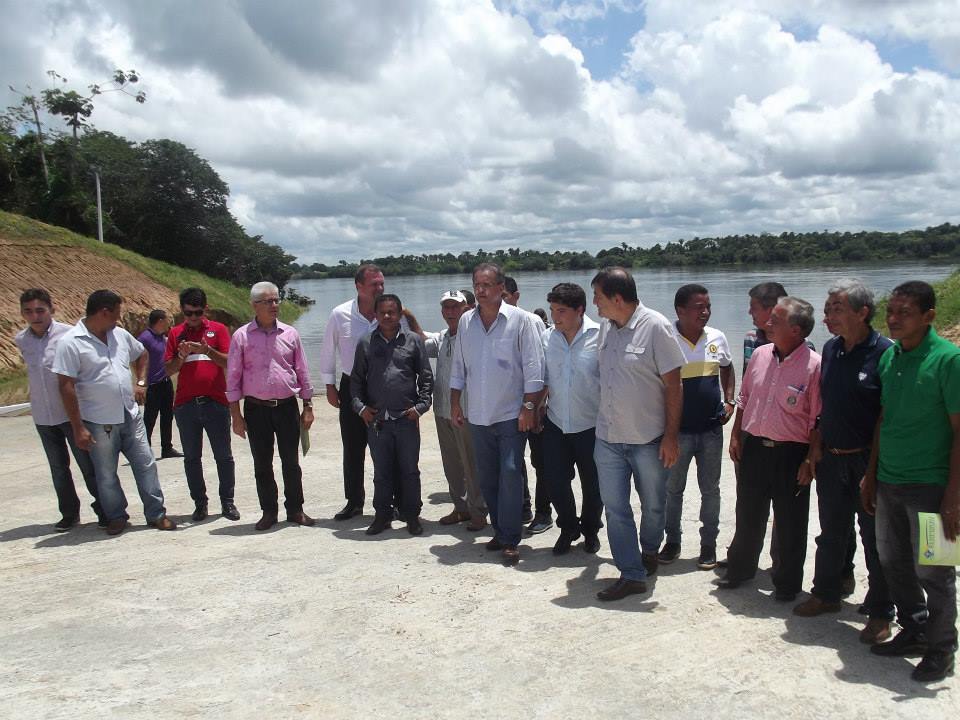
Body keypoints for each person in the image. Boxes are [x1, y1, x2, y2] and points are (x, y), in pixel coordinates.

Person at [862, 280, 959, 683]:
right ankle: (915, 628)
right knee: (893, 560)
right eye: (891, 311)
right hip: (889, 480)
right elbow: (884, 419)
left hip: (931, 484)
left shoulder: (948, 360)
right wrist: (871, 474)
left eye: (904, 312)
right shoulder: (891, 356)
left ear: (929, 316)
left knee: (935, 570)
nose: (894, 318)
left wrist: (953, 496)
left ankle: (941, 648)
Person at [791, 279, 894, 645]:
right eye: (827, 309)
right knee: (832, 532)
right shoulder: (832, 349)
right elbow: (824, 406)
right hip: (832, 458)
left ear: (862, 313)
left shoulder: (885, 353)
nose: (827, 316)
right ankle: (826, 593)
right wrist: (815, 449)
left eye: (836, 309)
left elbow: (886, 416)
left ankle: (881, 612)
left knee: (875, 538)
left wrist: (873, 471)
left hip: (867, 459)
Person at [591, 267, 685, 601]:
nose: (594, 304)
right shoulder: (606, 327)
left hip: (648, 439)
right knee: (615, 508)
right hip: (608, 437)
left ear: (617, 298)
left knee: (654, 505)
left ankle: (649, 550)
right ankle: (631, 573)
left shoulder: (656, 327)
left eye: (598, 297)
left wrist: (671, 437)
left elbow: (674, 386)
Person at [720, 297, 821, 602]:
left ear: (796, 330)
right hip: (754, 447)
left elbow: (817, 418)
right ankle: (739, 570)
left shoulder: (814, 366)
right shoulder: (760, 355)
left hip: (792, 453)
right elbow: (745, 399)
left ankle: (787, 584)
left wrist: (810, 459)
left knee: (790, 521)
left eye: (775, 320)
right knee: (748, 514)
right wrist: (736, 436)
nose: (767, 324)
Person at [52, 290, 175, 535]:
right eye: (117, 313)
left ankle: (156, 513)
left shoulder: (119, 335)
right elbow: (65, 386)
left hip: (130, 415)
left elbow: (142, 353)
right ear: (104, 312)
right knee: (106, 474)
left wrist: (141, 382)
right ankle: (116, 516)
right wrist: (78, 427)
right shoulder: (71, 342)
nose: (119, 318)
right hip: (99, 421)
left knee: (146, 464)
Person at [450, 263, 544, 565]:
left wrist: (528, 407)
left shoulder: (521, 321)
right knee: (487, 477)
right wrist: (455, 402)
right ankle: (500, 531)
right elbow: (459, 366)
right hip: (478, 414)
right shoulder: (466, 321)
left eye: (486, 285)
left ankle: (511, 538)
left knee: (511, 472)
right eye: (476, 285)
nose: (480, 290)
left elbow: (533, 368)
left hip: (511, 413)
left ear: (501, 288)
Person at [657, 284, 735, 571]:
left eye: (708, 307)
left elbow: (727, 367)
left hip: (711, 430)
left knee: (710, 490)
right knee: (672, 490)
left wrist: (730, 400)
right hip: (677, 432)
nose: (705, 312)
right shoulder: (665, 338)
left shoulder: (717, 337)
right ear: (680, 310)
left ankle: (708, 545)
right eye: (698, 307)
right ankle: (672, 541)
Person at [227, 281, 314, 531]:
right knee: (262, 463)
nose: (274, 305)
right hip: (256, 409)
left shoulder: (290, 333)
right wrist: (236, 416)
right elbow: (233, 377)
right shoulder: (241, 336)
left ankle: (295, 509)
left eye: (277, 300)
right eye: (268, 301)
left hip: (287, 407)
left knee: (291, 462)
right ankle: (269, 511)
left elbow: (302, 370)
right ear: (254, 305)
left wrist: (308, 405)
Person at [15, 288, 103, 530]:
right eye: (28, 311)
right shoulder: (22, 340)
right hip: (43, 415)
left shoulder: (69, 335)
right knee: (58, 468)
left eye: (40, 310)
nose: (35, 316)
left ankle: (105, 509)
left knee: (88, 465)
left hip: (71, 414)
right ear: (22, 314)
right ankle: (69, 513)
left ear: (52, 310)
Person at [320, 264, 403, 520]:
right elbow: (327, 351)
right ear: (359, 286)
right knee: (353, 448)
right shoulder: (340, 314)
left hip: (384, 387)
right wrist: (329, 385)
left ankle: (394, 501)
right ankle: (354, 502)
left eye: (382, 283)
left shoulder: (391, 314)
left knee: (389, 448)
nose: (380, 288)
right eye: (374, 284)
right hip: (351, 386)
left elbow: (406, 348)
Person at [350, 294, 433, 536]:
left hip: (406, 419)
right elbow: (356, 381)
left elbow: (426, 378)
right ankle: (382, 516)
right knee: (381, 472)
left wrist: (420, 407)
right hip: (378, 421)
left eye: (392, 312)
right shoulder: (365, 342)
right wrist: (361, 408)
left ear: (399, 314)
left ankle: (412, 516)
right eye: (382, 312)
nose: (387, 316)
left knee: (410, 471)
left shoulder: (413, 341)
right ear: (375, 315)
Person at [406, 290, 488, 530]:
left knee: (471, 464)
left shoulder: (474, 336)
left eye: (456, 307)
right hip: (442, 409)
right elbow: (421, 340)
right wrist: (407, 314)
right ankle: (460, 508)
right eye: (446, 307)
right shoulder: (442, 337)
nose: (451, 312)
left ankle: (478, 511)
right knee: (451, 464)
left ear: (467, 309)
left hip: (465, 410)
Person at [164, 287, 239, 522]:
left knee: (223, 456)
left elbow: (229, 362)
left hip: (215, 402)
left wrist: (208, 350)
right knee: (191, 458)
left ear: (205, 309)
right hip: (186, 405)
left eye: (197, 313)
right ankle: (200, 504)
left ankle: (227, 502)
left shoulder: (218, 330)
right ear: (182, 311)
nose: (193, 318)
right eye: (188, 313)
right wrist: (181, 356)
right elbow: (168, 370)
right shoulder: (175, 334)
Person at [541, 282, 603, 555]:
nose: (555, 317)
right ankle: (567, 527)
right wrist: (532, 407)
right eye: (552, 310)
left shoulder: (601, 336)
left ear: (580, 310)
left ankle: (590, 530)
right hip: (555, 422)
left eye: (561, 311)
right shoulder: (547, 338)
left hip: (592, 424)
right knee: (554, 480)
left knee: (594, 485)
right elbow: (542, 379)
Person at [503, 275, 550, 533]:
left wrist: (538, 405)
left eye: (504, 297)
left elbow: (544, 364)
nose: (500, 303)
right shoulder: (489, 323)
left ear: (516, 296)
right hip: (509, 406)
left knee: (541, 461)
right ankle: (523, 506)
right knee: (513, 460)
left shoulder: (532, 321)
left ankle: (544, 513)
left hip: (534, 404)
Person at [137, 309, 182, 459]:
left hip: (165, 382)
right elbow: (137, 360)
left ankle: (167, 447)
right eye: (167, 319)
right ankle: (144, 450)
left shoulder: (163, 337)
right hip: (152, 385)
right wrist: (141, 382)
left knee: (168, 416)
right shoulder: (144, 338)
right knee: (149, 418)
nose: (169, 322)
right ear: (160, 321)